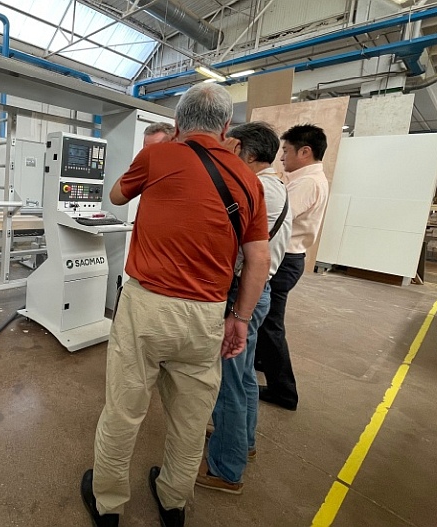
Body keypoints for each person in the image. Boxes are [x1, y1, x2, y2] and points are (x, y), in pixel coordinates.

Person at [80, 83, 271, 527]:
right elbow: (258, 257)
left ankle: (108, 505)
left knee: (125, 408)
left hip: (147, 307)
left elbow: (115, 197)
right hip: (207, 313)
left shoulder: (158, 155)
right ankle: (173, 503)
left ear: (180, 123)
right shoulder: (249, 180)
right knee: (191, 417)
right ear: (227, 128)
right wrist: (240, 320)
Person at [196, 122, 292, 494]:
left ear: (243, 152)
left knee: (229, 384)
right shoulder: (277, 186)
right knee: (246, 377)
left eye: (229, 149)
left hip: (243, 293)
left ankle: (225, 468)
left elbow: (237, 248)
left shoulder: (255, 188)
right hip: (260, 290)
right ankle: (243, 444)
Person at [255, 124, 329, 411]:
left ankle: (283, 391)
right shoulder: (302, 178)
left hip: (285, 259)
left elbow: (276, 216)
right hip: (290, 257)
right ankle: (262, 362)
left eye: (285, 151)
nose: (282, 157)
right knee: (266, 321)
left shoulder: (307, 183)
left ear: (305, 151)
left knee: (271, 323)